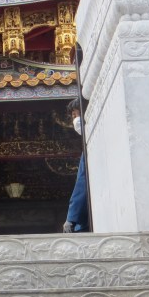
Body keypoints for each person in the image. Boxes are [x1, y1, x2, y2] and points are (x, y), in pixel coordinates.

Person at [63, 98, 89, 233]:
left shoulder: (89, 149)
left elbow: (83, 182)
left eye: (76, 115)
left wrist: (71, 218)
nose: (75, 121)